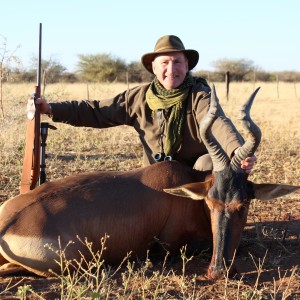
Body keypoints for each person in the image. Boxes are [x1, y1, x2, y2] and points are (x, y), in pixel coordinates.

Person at [30, 35, 256, 172]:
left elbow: (218, 122)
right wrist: (50, 109)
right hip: (155, 175)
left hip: (193, 176)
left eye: (177, 62)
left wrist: (237, 151)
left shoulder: (200, 94)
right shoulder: (138, 97)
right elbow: (97, 111)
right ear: (154, 67)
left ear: (187, 65)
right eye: (165, 62)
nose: (171, 69)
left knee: (209, 163)